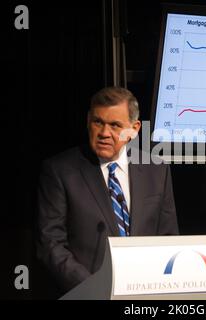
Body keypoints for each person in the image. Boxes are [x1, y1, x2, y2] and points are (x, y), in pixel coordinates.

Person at [37, 86, 179, 293]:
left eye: (115, 125)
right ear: (88, 121)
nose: (104, 133)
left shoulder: (156, 170)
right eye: (98, 122)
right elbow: (50, 244)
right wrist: (94, 287)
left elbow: (168, 237)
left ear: (134, 128)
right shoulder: (60, 170)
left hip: (145, 293)